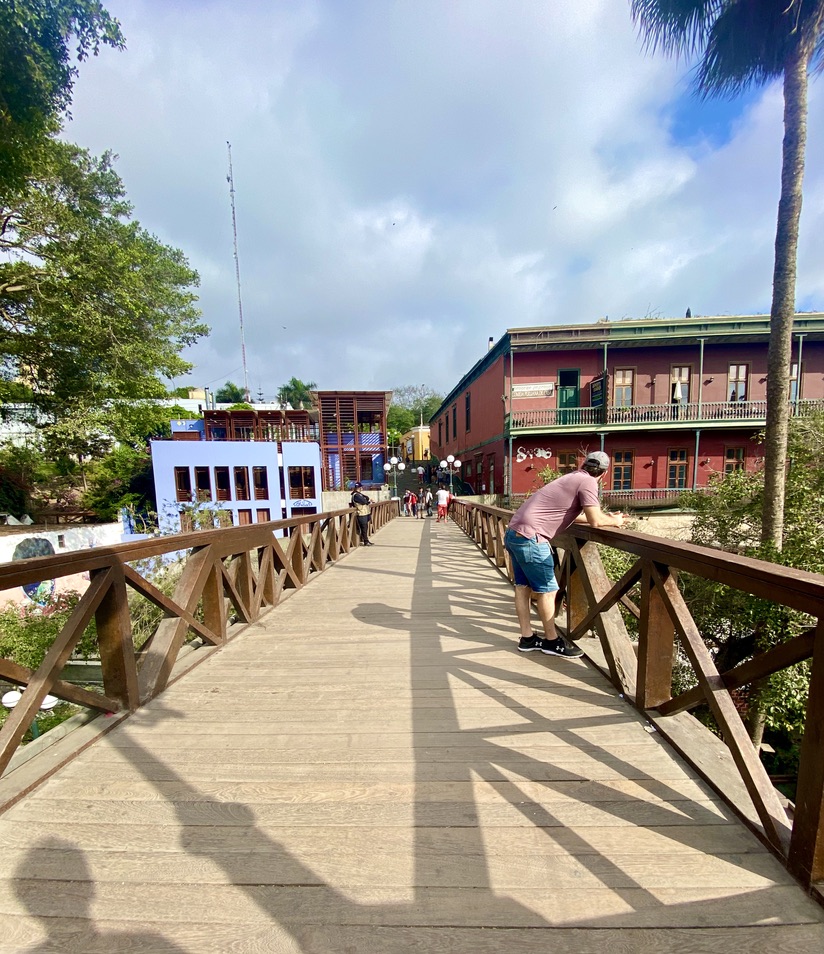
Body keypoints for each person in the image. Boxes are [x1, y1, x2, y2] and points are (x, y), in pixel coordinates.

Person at [504, 451, 624, 658]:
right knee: (548, 591)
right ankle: (551, 641)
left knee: (522, 587)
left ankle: (527, 638)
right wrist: (616, 521)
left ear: (583, 465)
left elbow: (568, 514)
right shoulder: (588, 483)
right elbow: (595, 521)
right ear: (604, 474)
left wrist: (606, 517)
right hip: (532, 538)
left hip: (514, 533)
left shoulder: (571, 478)